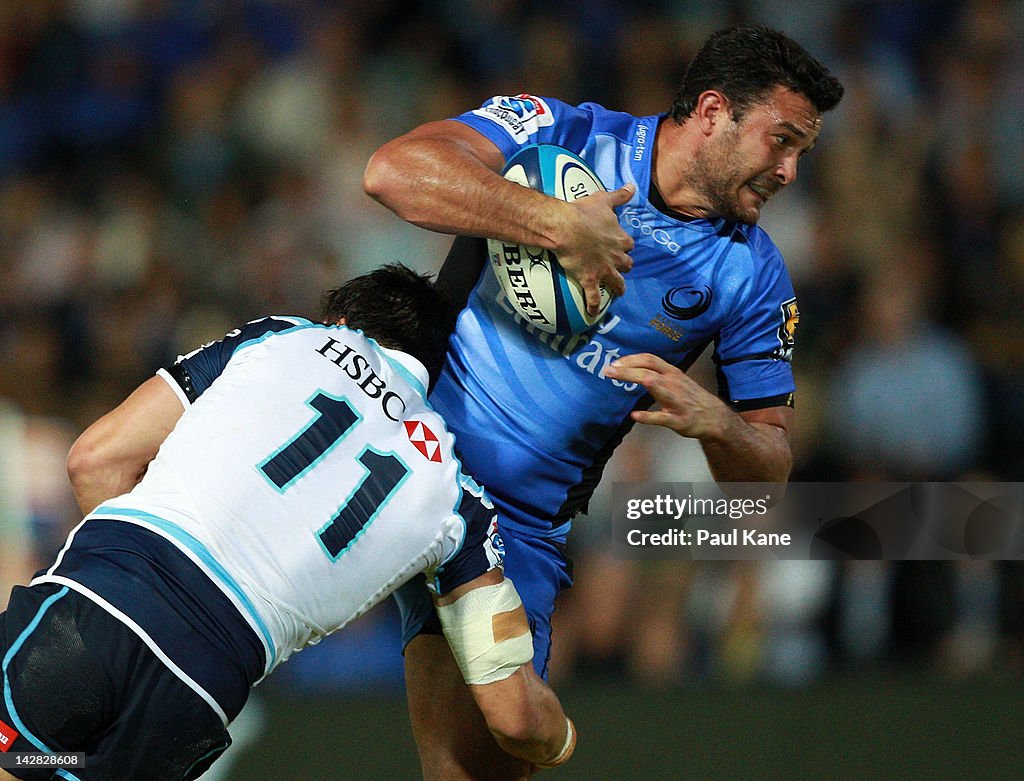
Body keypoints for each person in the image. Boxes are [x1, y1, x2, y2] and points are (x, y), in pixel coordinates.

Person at [363, 23, 844, 780]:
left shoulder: (755, 277)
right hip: (395, 448)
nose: (789, 170)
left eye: (801, 153)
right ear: (714, 112)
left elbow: (767, 480)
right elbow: (393, 172)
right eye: (781, 141)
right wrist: (554, 222)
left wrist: (716, 421)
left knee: (484, 759)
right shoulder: (564, 133)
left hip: (514, 525)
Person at [0, 264, 576, 781]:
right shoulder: (458, 500)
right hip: (193, 700)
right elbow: (515, 716)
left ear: (341, 321)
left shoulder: (285, 338)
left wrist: (131, 580)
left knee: (20, 756)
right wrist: (564, 740)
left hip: (93, 620)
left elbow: (95, 460)